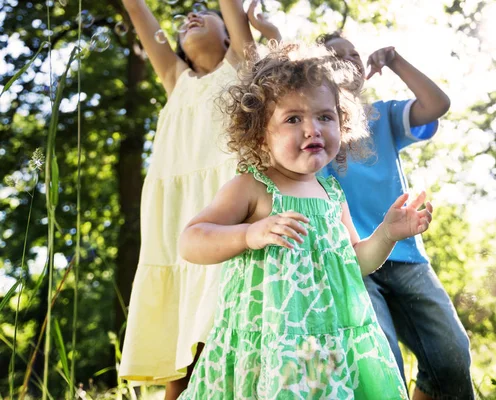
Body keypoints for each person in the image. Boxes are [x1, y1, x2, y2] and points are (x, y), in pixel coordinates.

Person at [177, 42, 433, 399]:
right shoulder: (252, 187)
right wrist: (249, 234)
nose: (312, 128)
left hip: (331, 341)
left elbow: (355, 261)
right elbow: (191, 241)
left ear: (343, 125)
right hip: (270, 345)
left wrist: (387, 233)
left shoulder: (332, 193)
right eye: (293, 118)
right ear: (259, 132)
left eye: (325, 116)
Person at [117, 0, 280, 397]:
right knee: (181, 332)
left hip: (223, 210)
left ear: (229, 32)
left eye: (202, 13)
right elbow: (137, 11)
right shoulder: (175, 78)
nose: (189, 16)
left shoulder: (240, 65)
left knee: (214, 324)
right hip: (176, 217)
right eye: (183, 19)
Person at [318, 31, 476, 400]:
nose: (347, 60)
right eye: (333, 57)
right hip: (351, 262)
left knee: (451, 359)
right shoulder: (313, 127)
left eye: (352, 54)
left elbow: (436, 103)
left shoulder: (383, 115)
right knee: (383, 363)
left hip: (405, 257)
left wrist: (394, 60)